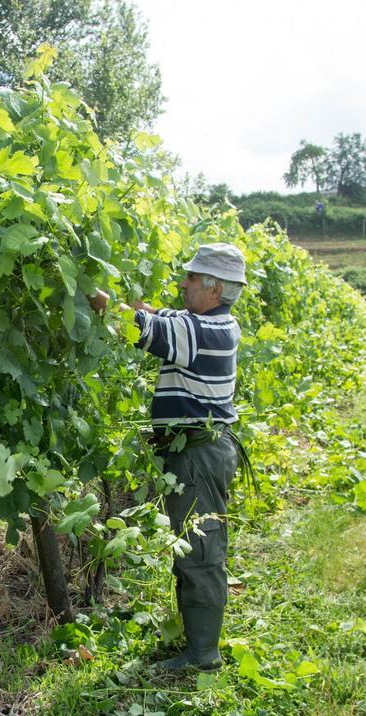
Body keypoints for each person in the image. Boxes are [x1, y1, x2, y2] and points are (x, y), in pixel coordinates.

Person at [119, 243, 246, 672]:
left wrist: (82, 292)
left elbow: (136, 325)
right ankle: (198, 642)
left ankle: (202, 655)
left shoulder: (202, 332)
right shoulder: (210, 323)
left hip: (198, 457)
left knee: (201, 551)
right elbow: (156, 314)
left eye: (192, 278)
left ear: (215, 290)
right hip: (200, 452)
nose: (184, 282)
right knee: (195, 546)